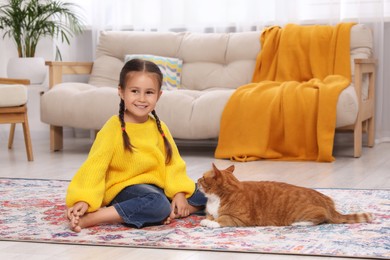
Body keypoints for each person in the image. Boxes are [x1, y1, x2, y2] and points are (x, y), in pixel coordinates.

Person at [66, 59, 206, 232]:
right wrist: (84, 199)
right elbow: (94, 166)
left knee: (208, 192)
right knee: (156, 202)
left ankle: (171, 211)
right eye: (134, 91)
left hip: (157, 188)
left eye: (149, 92)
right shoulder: (113, 128)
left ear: (158, 95)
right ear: (121, 92)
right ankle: (94, 218)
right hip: (125, 190)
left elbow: (173, 163)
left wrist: (179, 193)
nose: (141, 99)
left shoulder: (160, 127)